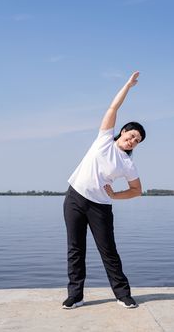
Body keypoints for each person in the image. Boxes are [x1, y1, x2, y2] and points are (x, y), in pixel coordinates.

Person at [62, 71, 146, 309]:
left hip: (100, 206)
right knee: (75, 248)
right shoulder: (104, 140)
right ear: (122, 132)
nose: (132, 141)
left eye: (136, 141)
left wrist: (115, 195)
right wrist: (128, 86)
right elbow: (112, 108)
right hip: (75, 199)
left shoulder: (128, 164)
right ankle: (75, 296)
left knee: (108, 251)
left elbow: (137, 190)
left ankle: (122, 294)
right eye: (131, 136)